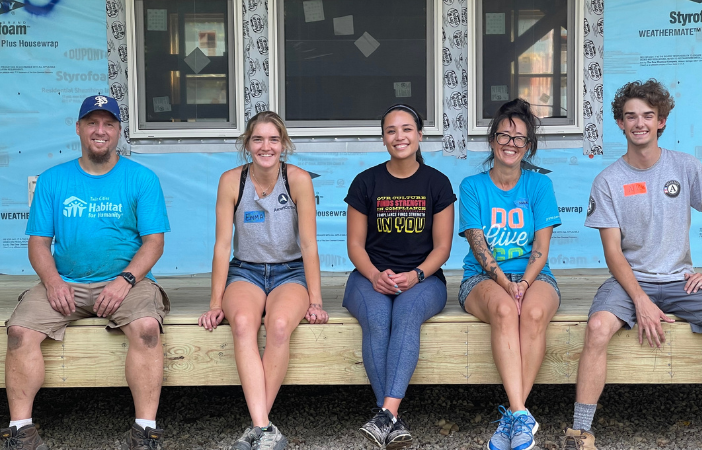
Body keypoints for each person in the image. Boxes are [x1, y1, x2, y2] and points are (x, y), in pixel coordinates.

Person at [563, 80, 702, 450]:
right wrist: (642, 300)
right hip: (629, 280)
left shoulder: (685, 166)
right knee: (597, 326)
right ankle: (581, 432)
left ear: (661, 121)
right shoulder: (608, 180)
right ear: (620, 123)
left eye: (648, 115)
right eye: (631, 116)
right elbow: (613, 252)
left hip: (681, 280)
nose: (639, 123)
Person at [2, 95, 170, 450]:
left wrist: (125, 281)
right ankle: (20, 431)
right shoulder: (53, 180)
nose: (100, 131)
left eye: (108, 124)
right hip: (66, 282)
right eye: (92, 123)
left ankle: (144, 432)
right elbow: (38, 244)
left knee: (148, 329)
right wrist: (53, 282)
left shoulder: (141, 178)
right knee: (18, 331)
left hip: (128, 280)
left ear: (119, 132)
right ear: (78, 129)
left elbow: (154, 243)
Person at [198, 111, 328, 450]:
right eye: (258, 139)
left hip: (290, 272)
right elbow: (222, 245)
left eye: (273, 139)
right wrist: (215, 303)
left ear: (283, 144)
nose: (265, 146)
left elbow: (310, 244)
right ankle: (264, 427)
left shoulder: (298, 179)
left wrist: (316, 300)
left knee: (280, 324)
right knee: (242, 322)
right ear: (247, 143)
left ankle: (257, 428)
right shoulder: (231, 180)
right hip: (246, 271)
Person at [343, 104, 456, 449]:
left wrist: (417, 274)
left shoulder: (437, 183)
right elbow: (354, 245)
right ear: (383, 139)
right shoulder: (366, 181)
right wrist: (376, 275)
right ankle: (391, 418)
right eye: (391, 131)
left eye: (407, 129)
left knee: (406, 316)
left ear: (420, 135)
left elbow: (442, 248)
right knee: (377, 318)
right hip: (368, 276)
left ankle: (385, 414)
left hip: (423, 279)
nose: (399, 136)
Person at [459, 98, 561, 450]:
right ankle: (520, 414)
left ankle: (514, 417)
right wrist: (505, 284)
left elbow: (541, 250)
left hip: (535, 276)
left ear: (528, 146)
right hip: (482, 279)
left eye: (519, 139)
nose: (511, 145)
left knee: (532, 312)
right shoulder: (472, 186)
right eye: (504, 136)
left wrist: (525, 283)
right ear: (492, 141)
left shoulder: (538, 186)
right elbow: (478, 245)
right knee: (505, 309)